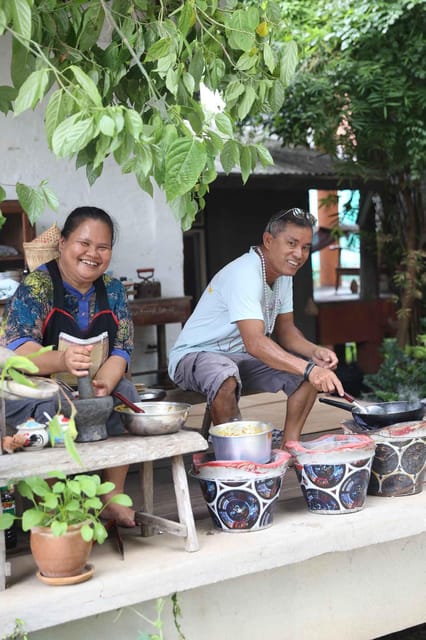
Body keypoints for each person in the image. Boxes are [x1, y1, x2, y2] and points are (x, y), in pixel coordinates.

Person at [1, 206, 140, 527]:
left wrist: (105, 379)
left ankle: (111, 499)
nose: (93, 254)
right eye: (84, 243)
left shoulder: (113, 289)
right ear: (63, 243)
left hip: (87, 385)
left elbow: (122, 347)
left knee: (126, 393)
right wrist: (62, 360)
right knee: (50, 403)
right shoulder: (38, 285)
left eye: (103, 247)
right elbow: (19, 349)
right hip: (36, 387)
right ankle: (53, 504)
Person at [168, 207, 345, 445]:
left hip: (239, 358)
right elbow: (255, 342)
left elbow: (286, 331)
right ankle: (235, 457)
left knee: (306, 376)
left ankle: (290, 447)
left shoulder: (283, 274)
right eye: (291, 243)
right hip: (194, 356)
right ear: (268, 240)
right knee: (225, 375)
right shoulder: (245, 272)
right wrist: (309, 369)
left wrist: (314, 353)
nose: (299, 254)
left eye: (305, 247)